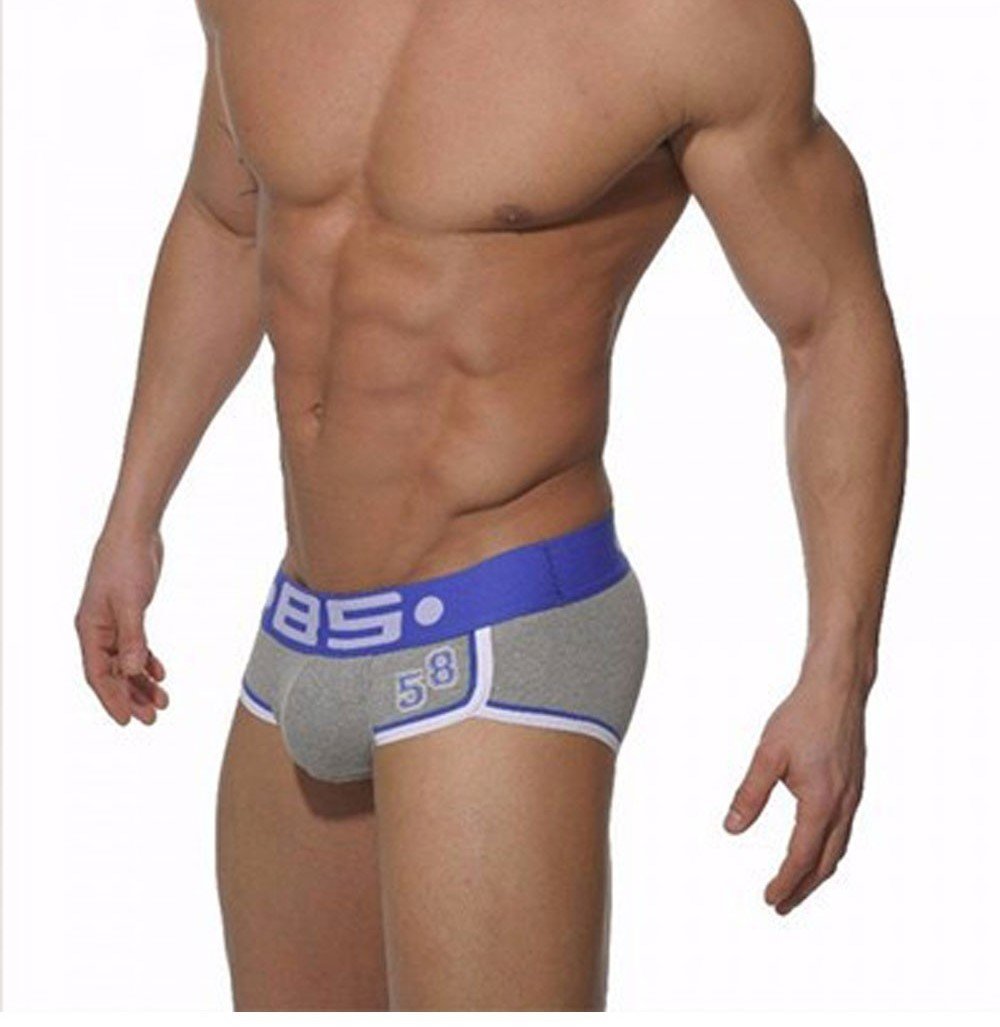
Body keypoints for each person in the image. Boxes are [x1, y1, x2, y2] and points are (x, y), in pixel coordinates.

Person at [74, 0, 907, 1012]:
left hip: (506, 627)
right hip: (301, 626)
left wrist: (838, 671)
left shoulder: (681, 21)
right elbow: (222, 219)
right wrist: (132, 517)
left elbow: (830, 323)